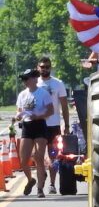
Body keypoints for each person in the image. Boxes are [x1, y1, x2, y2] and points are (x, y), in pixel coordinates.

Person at [15, 68, 54, 198]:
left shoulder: (43, 93)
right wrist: (18, 116)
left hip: (39, 125)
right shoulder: (22, 94)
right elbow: (19, 111)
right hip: (27, 126)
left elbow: (50, 111)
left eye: (27, 79)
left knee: (38, 157)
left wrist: (37, 116)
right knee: (24, 160)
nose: (25, 82)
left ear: (34, 79)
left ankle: (40, 188)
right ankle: (31, 180)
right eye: (23, 79)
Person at [36, 56, 69, 194]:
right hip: (37, 123)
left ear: (51, 68)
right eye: (42, 67)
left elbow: (64, 106)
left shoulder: (58, 83)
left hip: (53, 124)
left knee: (53, 154)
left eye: (47, 67)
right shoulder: (34, 83)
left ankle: (51, 184)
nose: (45, 69)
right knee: (37, 154)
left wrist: (66, 125)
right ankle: (42, 174)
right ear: (38, 68)